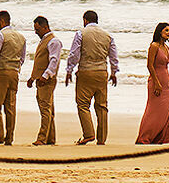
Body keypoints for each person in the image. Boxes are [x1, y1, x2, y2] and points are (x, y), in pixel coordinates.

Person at [65, 10, 119, 145]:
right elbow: (113, 56)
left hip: (86, 72)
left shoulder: (80, 34)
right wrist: (113, 72)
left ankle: (88, 134)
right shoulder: (108, 35)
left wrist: (69, 70)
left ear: (85, 20)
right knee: (102, 106)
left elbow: (74, 54)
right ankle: (102, 138)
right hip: (102, 72)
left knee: (83, 104)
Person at [0, 9, 25, 145]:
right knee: (10, 106)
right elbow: (22, 58)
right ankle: (9, 137)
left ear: (2, 21)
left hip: (1, 71)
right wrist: (16, 68)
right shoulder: (21, 37)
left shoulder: (0, 36)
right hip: (14, 72)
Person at [24, 15, 63, 145]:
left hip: (46, 80)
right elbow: (41, 61)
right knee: (48, 109)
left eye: (38, 29)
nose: (36, 32)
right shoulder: (45, 41)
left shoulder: (53, 41)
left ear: (45, 27)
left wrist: (45, 76)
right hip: (41, 79)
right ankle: (50, 137)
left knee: (45, 109)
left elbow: (54, 61)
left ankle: (42, 137)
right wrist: (32, 77)